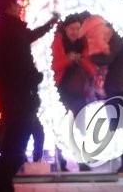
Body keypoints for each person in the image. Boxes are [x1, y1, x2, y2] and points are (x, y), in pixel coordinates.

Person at [0, 0, 58, 192]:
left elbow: (28, 37)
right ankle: (2, 185)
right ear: (10, 5)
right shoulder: (10, 31)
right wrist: (36, 77)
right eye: (17, 3)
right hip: (18, 96)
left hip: (13, 95)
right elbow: (19, 64)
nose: (20, 6)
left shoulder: (7, 28)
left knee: (15, 140)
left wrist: (50, 24)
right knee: (16, 143)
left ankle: (3, 185)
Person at [90, 27, 123, 174]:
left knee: (118, 127)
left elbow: (107, 58)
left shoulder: (121, 36)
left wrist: (89, 56)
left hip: (119, 87)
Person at [51, 15, 94, 172]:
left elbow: (92, 69)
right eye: (72, 28)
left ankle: (82, 161)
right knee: (58, 126)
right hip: (60, 91)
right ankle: (59, 161)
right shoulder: (58, 42)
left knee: (80, 126)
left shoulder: (85, 43)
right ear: (65, 29)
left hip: (79, 92)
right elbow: (53, 66)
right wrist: (69, 59)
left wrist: (81, 60)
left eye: (78, 28)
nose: (75, 32)